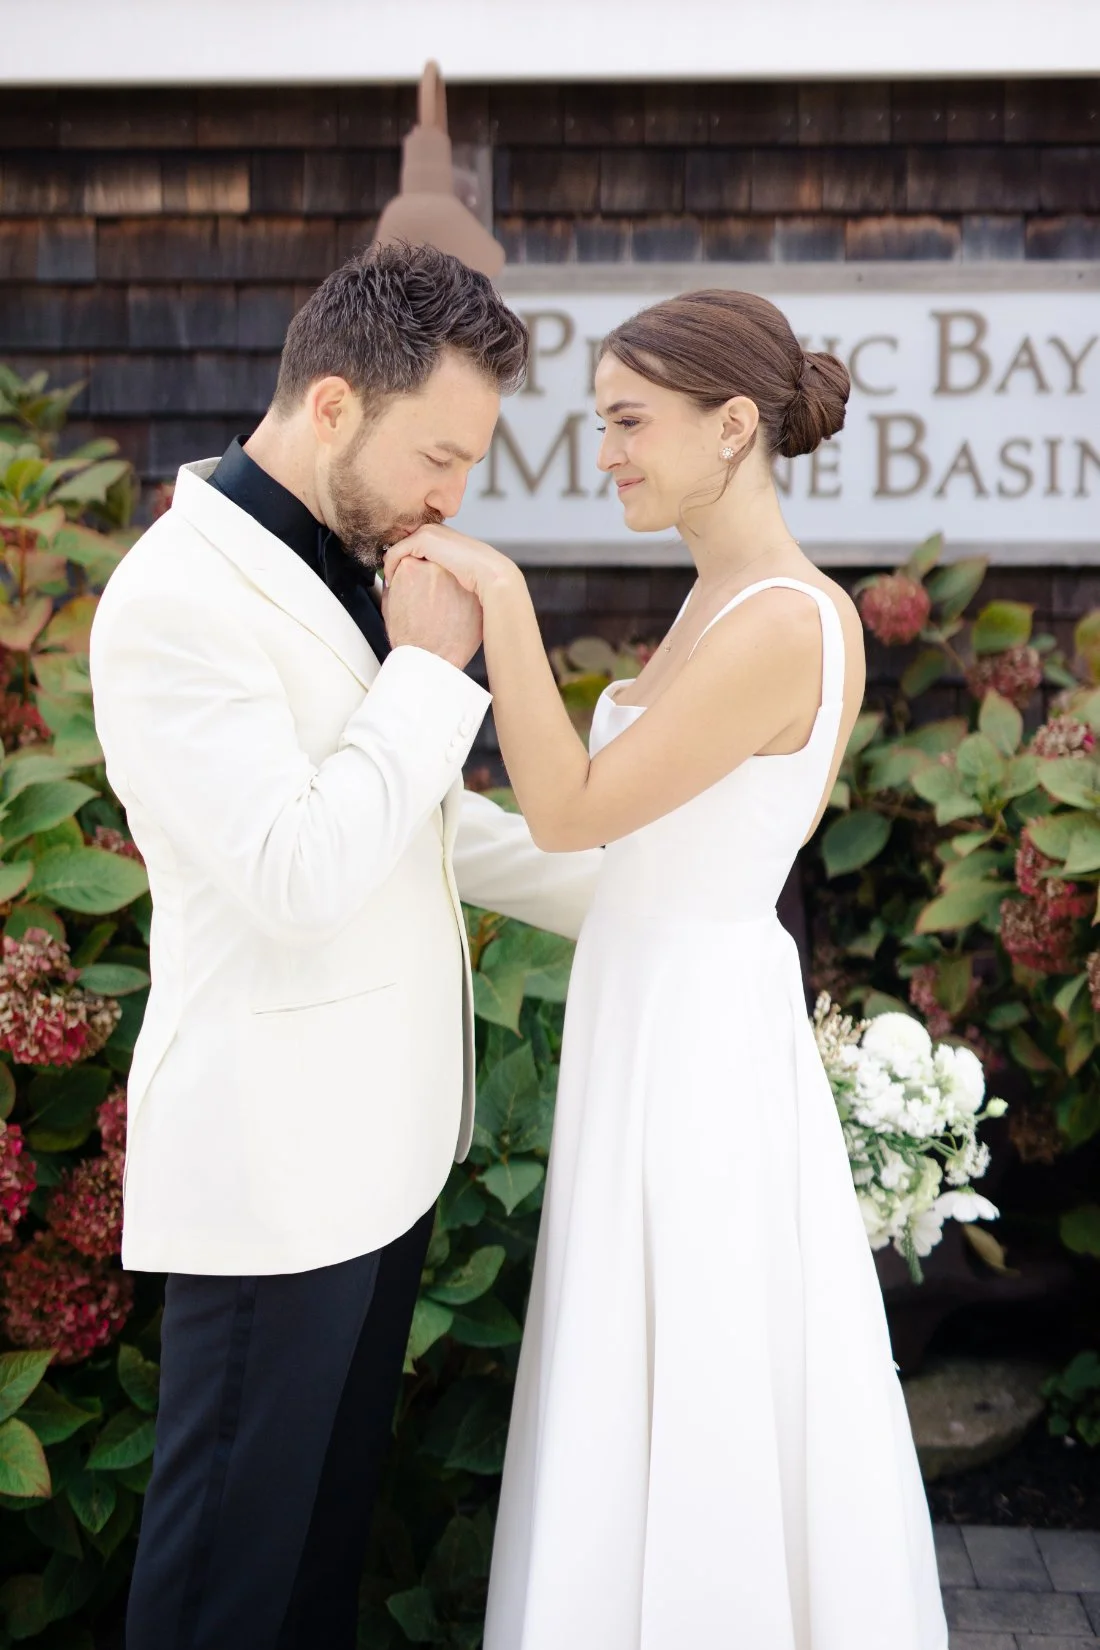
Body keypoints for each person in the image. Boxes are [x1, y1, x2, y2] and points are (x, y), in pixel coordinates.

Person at [383, 289, 950, 1650]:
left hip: (697, 1052)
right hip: (653, 1015)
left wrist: (498, 593)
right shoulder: (710, 600)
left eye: (630, 422)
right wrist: (418, 827)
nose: (609, 453)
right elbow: (623, 872)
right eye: (601, 425)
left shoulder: (781, 622)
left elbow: (577, 808)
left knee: (694, 1376)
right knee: (636, 1370)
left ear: (734, 425)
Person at [88, 242, 604, 1650]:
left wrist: (641, 886)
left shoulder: (345, 557)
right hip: (274, 1178)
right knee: (220, 1596)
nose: (453, 500)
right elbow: (300, 871)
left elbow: (415, 828)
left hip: (378, 1164)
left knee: (313, 1570)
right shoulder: (174, 601)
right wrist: (433, 674)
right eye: (439, 455)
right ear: (331, 407)